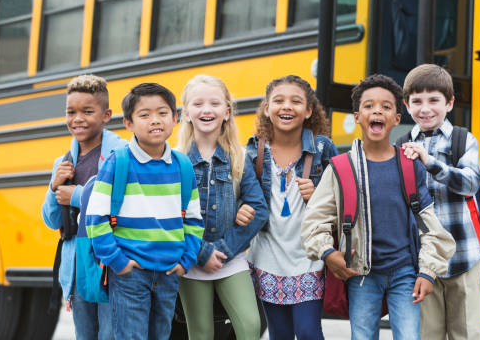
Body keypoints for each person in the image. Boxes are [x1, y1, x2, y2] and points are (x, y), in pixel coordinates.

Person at [302, 74, 455, 340]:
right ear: (357, 116)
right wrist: (328, 252)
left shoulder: (409, 166)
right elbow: (315, 220)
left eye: (386, 107)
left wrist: (428, 272)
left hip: (405, 272)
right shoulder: (341, 168)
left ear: (397, 119)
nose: (377, 111)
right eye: (369, 105)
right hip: (361, 273)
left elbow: (430, 225)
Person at [86, 83, 203, 340]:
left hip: (169, 272)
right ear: (128, 123)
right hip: (130, 272)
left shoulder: (183, 165)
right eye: (144, 115)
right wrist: (118, 262)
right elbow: (96, 219)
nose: (155, 121)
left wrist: (186, 261)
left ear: (175, 118)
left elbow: (194, 220)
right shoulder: (119, 162)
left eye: (162, 113)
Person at [394, 64, 480, 340]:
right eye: (417, 101)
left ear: (449, 103)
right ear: (407, 105)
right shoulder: (400, 144)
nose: (425, 108)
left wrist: (428, 161)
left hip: (463, 256)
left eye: (434, 100)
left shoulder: (462, 139)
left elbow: (470, 184)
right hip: (422, 262)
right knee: (426, 334)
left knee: (465, 334)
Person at [176, 75, 268, 340]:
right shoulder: (176, 160)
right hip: (192, 260)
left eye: (215, 103)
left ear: (227, 112)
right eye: (198, 104)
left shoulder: (239, 157)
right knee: (201, 332)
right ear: (186, 113)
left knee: (250, 325)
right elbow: (170, 214)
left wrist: (223, 249)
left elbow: (258, 208)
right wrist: (201, 252)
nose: (207, 110)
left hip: (231, 257)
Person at [246, 75, 338, 340]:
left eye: (296, 102)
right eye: (278, 101)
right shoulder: (253, 152)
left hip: (309, 258)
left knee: (309, 332)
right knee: (280, 334)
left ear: (308, 111)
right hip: (267, 257)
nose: (287, 106)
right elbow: (240, 197)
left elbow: (344, 198)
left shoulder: (322, 148)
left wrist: (318, 195)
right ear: (266, 108)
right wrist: (242, 210)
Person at [42, 74, 125, 340]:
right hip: (77, 264)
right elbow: (52, 221)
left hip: (110, 263)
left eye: (87, 111)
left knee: (111, 334)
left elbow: (121, 203)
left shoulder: (121, 155)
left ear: (106, 115)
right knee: (85, 335)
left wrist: (76, 195)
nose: (77, 119)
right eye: (71, 112)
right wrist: (54, 187)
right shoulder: (63, 162)